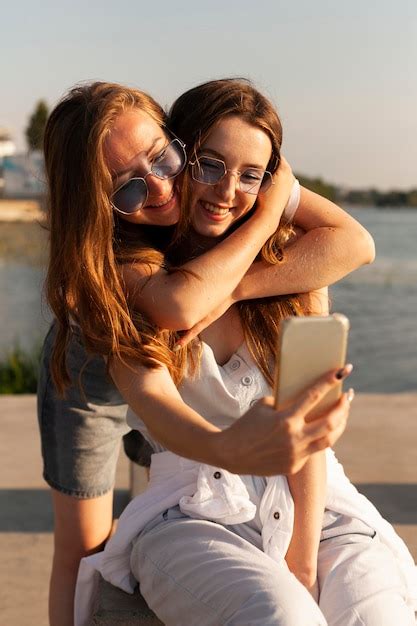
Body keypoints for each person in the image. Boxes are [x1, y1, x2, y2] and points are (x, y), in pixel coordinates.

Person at [75, 79, 416, 625]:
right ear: (183, 153)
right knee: (283, 618)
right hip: (193, 508)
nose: (226, 190)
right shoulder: (135, 277)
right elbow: (164, 396)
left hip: (319, 507)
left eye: (251, 177)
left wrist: (302, 556)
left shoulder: (294, 270)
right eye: (208, 165)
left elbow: (307, 429)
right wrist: (266, 215)